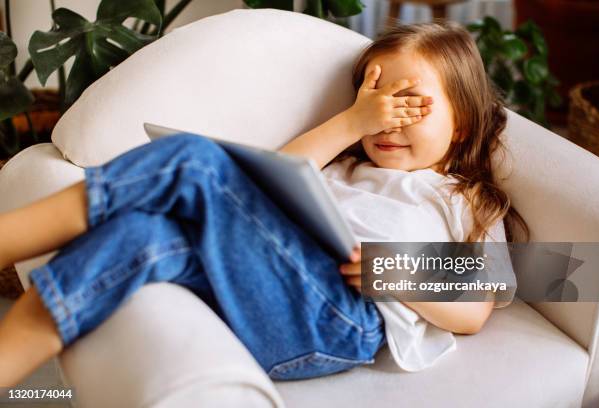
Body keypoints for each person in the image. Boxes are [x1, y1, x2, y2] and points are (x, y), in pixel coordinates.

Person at [0, 20, 528, 388]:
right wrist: (351, 124)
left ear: (459, 122)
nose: (388, 120)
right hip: (276, 292)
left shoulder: (462, 196)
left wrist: (394, 271)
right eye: (374, 103)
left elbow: (476, 308)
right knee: (140, 237)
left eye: (409, 104)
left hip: (344, 319)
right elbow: (266, 183)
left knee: (194, 159)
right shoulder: (345, 165)